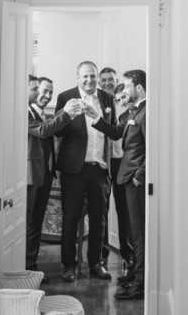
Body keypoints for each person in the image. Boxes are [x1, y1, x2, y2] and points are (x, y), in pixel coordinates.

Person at [54, 60, 117, 282]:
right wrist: (68, 114)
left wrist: (98, 119)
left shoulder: (107, 99)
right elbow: (58, 132)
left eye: (93, 76)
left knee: (99, 220)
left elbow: (115, 132)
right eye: (85, 76)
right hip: (73, 170)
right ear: (78, 78)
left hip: (99, 169)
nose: (90, 80)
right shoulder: (65, 97)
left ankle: (96, 264)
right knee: (71, 218)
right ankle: (69, 265)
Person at [90, 69, 147, 301]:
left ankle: (140, 285)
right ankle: (134, 274)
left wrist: (139, 176)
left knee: (140, 235)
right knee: (135, 233)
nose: (122, 90)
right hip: (126, 178)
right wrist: (95, 118)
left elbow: (152, 148)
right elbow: (116, 133)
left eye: (126, 85)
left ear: (139, 87)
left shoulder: (147, 112)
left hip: (135, 181)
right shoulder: (134, 111)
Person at [26, 76, 82, 274]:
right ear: (32, 90)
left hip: (46, 175)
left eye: (50, 92)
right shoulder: (26, 113)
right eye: (43, 90)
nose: (47, 95)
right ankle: (28, 269)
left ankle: (32, 267)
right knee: (30, 222)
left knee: (36, 222)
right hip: (31, 177)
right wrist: (65, 114)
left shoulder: (41, 114)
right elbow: (43, 131)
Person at [98, 68, 133, 272]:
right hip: (103, 161)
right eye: (104, 80)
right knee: (102, 211)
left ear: (116, 81)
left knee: (124, 210)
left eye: (111, 79)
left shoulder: (125, 102)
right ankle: (102, 255)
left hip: (122, 162)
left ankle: (128, 255)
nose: (108, 82)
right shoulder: (98, 102)